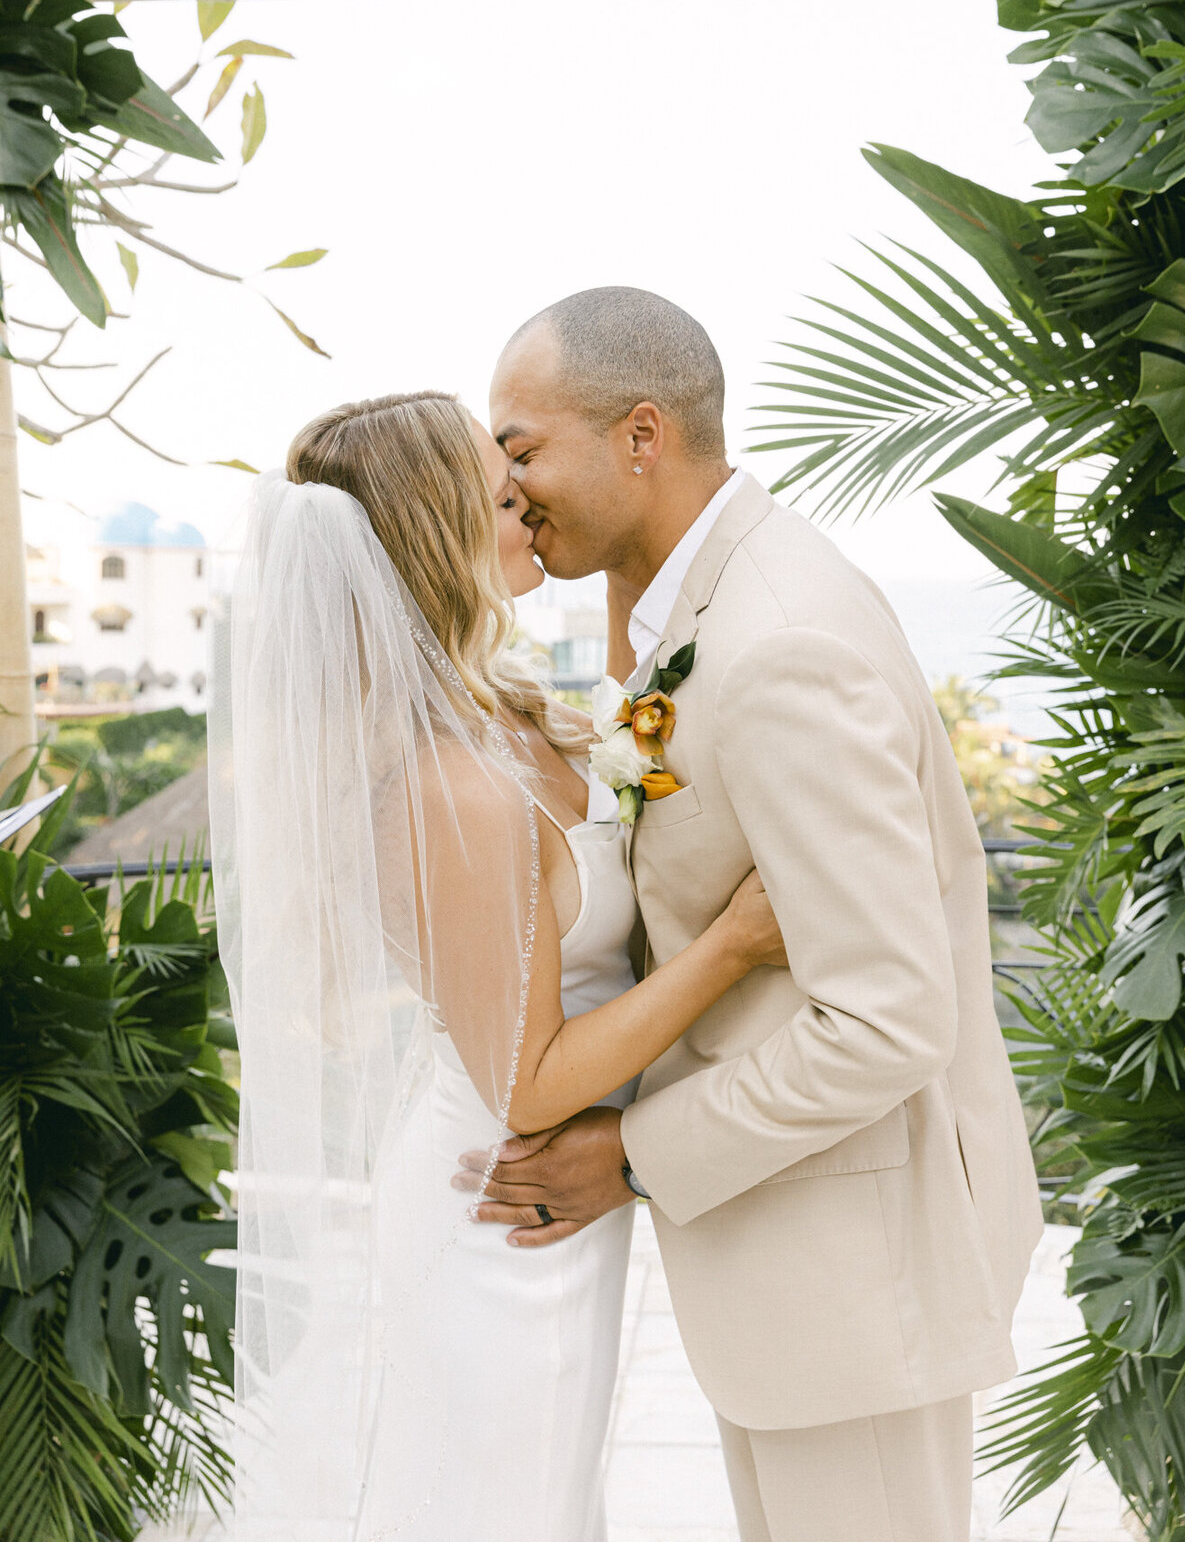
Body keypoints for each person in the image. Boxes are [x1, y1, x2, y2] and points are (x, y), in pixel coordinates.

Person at [457, 286, 1044, 1542]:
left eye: (520, 451)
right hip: (799, 1273)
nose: (507, 492)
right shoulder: (697, 613)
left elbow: (885, 1024)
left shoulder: (779, 643)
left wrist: (627, 1157)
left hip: (861, 1270)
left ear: (640, 436)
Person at [208, 388, 785, 1542]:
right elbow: (526, 1079)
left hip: (542, 1193)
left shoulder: (505, 715)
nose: (525, 496)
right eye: (496, 481)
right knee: (505, 1508)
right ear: (438, 529)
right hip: (500, 1200)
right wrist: (734, 945)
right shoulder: (449, 787)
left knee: (545, 1499)